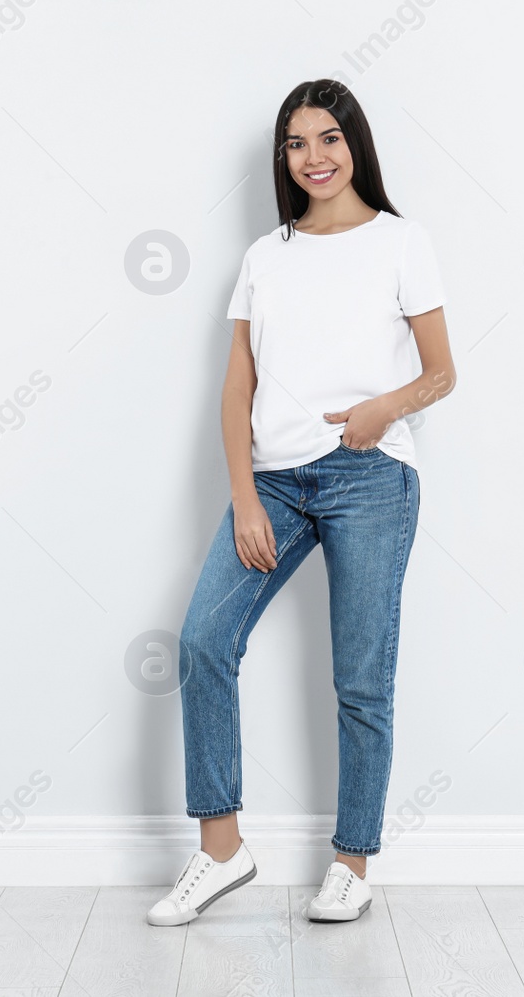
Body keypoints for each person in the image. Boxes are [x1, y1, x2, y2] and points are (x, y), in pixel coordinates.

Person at [146, 79, 456, 926]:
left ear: (354, 142)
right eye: (296, 143)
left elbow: (442, 372)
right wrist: (244, 495)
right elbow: (235, 386)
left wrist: (378, 411)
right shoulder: (266, 255)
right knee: (205, 640)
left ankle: (352, 861)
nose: (313, 156)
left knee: (361, 678)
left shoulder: (402, 242)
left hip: (370, 476)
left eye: (328, 137)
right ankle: (221, 849)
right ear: (283, 158)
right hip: (275, 481)